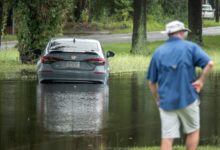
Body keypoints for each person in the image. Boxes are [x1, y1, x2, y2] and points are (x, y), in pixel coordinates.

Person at [147, 20, 214, 150]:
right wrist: (201, 81)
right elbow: (209, 64)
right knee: (193, 131)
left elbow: (151, 82)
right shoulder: (190, 47)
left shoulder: (158, 52)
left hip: (166, 101)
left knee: (167, 137)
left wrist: (158, 98)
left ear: (169, 34)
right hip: (188, 97)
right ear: (181, 33)